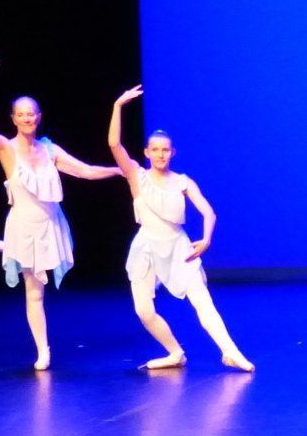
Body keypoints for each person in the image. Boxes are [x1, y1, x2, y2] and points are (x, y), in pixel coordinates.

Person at [0, 59, 121, 370]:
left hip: (50, 224)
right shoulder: (6, 150)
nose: (26, 118)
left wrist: (119, 171)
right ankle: (43, 350)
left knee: (43, 275)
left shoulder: (50, 149)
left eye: (31, 114)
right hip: (24, 224)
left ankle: (3, 248)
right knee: (35, 290)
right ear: (13, 118)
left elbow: (85, 171)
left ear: (38, 117)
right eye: (20, 114)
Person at [102, 86, 253, 371]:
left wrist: (206, 238)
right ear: (147, 152)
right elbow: (114, 144)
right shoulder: (137, 176)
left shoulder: (183, 181)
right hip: (146, 247)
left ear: (172, 152)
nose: (160, 155)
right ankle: (174, 352)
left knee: (203, 302)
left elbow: (208, 211)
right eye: (155, 150)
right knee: (144, 310)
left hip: (179, 248)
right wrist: (118, 105)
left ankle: (231, 351)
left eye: (165, 150)